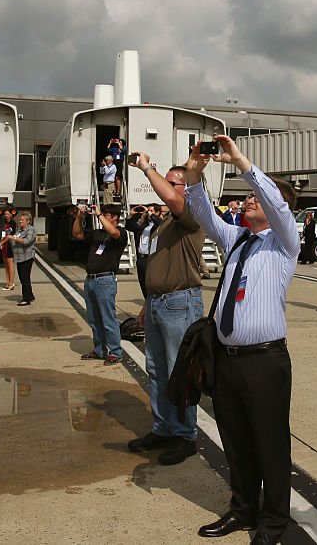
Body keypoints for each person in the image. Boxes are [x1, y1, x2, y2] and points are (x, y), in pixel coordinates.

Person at [184, 135, 298, 545]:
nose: (249, 200)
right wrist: (195, 173)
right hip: (228, 359)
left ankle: (272, 524)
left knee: (270, 444)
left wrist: (241, 162)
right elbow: (202, 213)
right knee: (235, 440)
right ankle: (243, 509)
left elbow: (275, 201)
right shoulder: (239, 240)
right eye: (247, 197)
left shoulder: (285, 242)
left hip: (265, 361)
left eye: (256, 197)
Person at [128, 152, 206, 466]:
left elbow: (174, 200)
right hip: (159, 302)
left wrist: (148, 168)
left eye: (174, 184)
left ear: (185, 190)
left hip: (179, 302)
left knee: (180, 372)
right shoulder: (163, 225)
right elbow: (159, 266)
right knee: (158, 371)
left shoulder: (191, 215)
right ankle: (163, 427)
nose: (166, 189)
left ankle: (185, 435)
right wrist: (148, 302)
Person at [72, 204, 127, 365]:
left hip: (105, 280)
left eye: (107, 215)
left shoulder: (121, 233)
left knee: (108, 318)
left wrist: (98, 215)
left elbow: (113, 232)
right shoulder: (97, 234)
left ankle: (115, 351)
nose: (103, 217)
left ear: (115, 217)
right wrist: (79, 216)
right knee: (94, 318)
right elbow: (77, 234)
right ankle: (99, 349)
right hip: (90, 280)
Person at [125, 203, 161, 298]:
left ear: (157, 212)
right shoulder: (144, 224)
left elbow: (159, 223)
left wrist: (151, 214)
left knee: (152, 284)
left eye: (151, 211)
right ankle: (147, 303)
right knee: (143, 283)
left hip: (152, 258)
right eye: (147, 211)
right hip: (141, 258)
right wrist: (131, 215)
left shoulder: (159, 224)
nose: (148, 213)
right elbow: (130, 227)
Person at [5, 212, 36, 306]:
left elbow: (26, 242)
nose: (20, 221)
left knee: (25, 278)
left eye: (22, 220)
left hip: (27, 257)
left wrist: (13, 238)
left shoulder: (30, 230)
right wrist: (9, 238)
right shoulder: (19, 230)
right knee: (22, 277)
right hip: (19, 257)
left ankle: (26, 299)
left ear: (28, 221)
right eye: (20, 220)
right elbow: (14, 239)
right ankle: (30, 295)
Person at [0, 207, 17, 291]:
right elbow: (3, 234)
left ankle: (11, 282)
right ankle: (8, 282)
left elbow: (9, 235)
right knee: (6, 264)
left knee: (10, 263)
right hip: (4, 244)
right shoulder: (4, 223)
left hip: (10, 244)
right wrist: (1, 242)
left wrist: (2, 242)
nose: (6, 216)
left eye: (8, 214)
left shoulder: (13, 223)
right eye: (5, 214)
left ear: (11, 215)